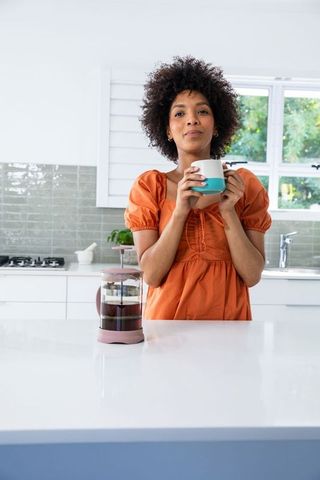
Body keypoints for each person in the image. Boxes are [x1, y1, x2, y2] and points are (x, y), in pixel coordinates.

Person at [124, 56, 271, 320]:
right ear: (167, 129)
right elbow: (151, 275)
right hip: (167, 332)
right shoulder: (149, 187)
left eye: (202, 111)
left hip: (231, 332)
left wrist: (228, 211)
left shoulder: (244, 186)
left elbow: (252, 276)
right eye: (179, 113)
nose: (192, 120)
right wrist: (180, 211)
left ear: (216, 125)